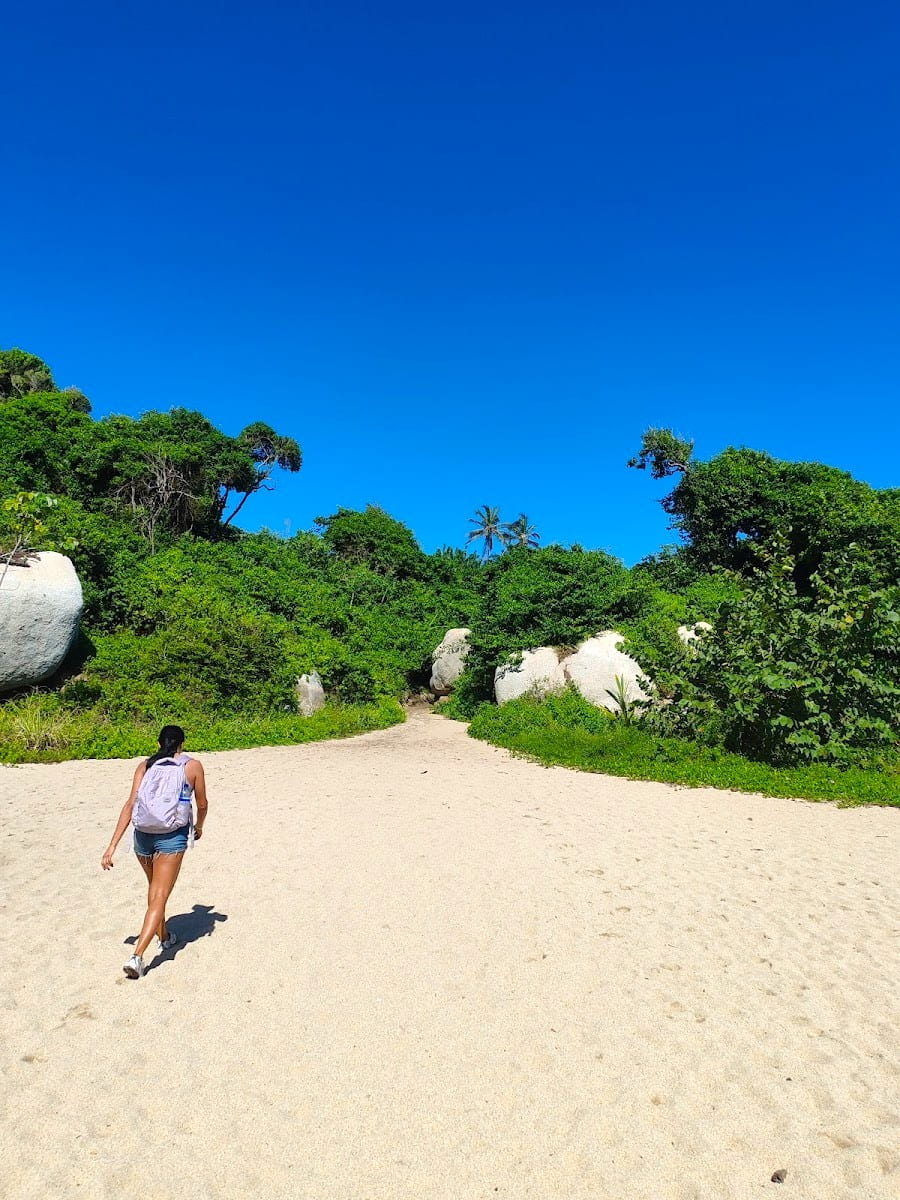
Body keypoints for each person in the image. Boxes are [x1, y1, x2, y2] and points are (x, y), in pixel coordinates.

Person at [101, 724, 208, 979]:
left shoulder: (145, 766)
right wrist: (199, 826)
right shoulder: (191, 766)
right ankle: (137, 957)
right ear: (182, 744)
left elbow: (130, 804)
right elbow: (202, 803)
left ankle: (166, 936)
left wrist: (113, 844)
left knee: (154, 891)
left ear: (159, 743)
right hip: (171, 838)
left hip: (142, 838)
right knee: (159, 896)